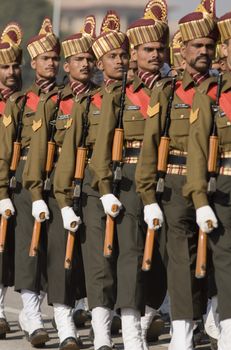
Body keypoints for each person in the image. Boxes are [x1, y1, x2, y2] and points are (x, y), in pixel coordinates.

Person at [135, 1, 218, 349]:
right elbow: (151, 146)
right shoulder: (167, 92)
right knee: (182, 265)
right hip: (177, 184)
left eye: (208, 46)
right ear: (181, 50)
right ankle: (182, 336)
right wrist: (148, 197)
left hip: (222, 182)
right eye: (196, 46)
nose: (203, 52)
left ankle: (216, 324)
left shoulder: (221, 89)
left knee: (220, 263)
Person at [89, 1, 170, 349]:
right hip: (133, 182)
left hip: (174, 182)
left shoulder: (172, 88)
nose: (154, 55)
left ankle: (156, 315)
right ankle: (131, 330)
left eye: (159, 49)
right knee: (132, 258)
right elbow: (102, 146)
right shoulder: (121, 94)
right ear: (134, 53)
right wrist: (106, 188)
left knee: (169, 260)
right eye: (146, 50)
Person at [54, 10, 129, 350]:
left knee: (129, 260)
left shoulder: (140, 96)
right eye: (113, 56)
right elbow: (70, 153)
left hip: (132, 187)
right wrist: (64, 200)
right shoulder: (89, 102)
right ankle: (99, 333)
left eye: (123, 55)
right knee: (99, 262)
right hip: (97, 190)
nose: (121, 61)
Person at [23, 15, 97, 350]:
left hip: (99, 190)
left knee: (95, 262)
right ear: (69, 66)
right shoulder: (55, 103)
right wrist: (38, 192)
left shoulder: (103, 99)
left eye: (89, 58)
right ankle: (64, 324)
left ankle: (99, 322)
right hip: (61, 191)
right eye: (78, 59)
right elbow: (39, 152)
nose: (85, 64)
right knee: (60, 261)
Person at [0, 18, 60, 347]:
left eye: (56, 58)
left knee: (56, 249)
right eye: (45, 58)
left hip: (59, 179)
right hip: (22, 180)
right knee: (27, 248)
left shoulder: (68, 99)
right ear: (34, 63)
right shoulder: (21, 104)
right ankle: (31, 312)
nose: (51, 64)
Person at [183, 9, 231, 350]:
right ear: (227, 49)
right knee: (227, 263)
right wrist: (200, 200)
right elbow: (198, 151)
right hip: (227, 187)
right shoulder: (212, 94)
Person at [0, 22, 22, 339]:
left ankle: (1, 310)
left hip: (11, 185)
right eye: (4, 66)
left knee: (3, 251)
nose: (11, 72)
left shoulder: (24, 103)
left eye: (16, 66)